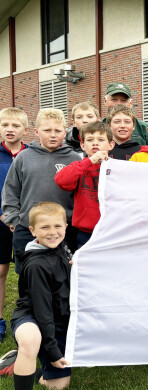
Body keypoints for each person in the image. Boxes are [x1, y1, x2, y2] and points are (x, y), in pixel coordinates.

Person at [1, 108, 80, 273]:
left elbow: (79, 194)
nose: (53, 134)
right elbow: (11, 191)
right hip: (27, 229)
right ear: (36, 131)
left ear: (64, 132)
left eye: (58, 130)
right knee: (29, 276)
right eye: (47, 130)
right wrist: (14, 220)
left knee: (63, 276)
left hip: (63, 230)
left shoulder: (74, 159)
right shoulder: (23, 157)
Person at [10, 202, 72, 390]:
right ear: (32, 230)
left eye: (57, 226)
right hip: (33, 317)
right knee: (30, 340)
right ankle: (25, 356)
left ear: (65, 227)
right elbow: (42, 311)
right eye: (45, 227)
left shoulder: (61, 248)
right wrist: (52, 351)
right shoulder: (37, 265)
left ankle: (18, 363)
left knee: (58, 386)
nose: (52, 232)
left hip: (58, 319)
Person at [55, 122, 115, 248]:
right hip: (86, 232)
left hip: (112, 230)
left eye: (100, 139)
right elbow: (61, 180)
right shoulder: (79, 167)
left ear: (111, 145)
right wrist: (90, 161)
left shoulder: (117, 168)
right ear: (82, 145)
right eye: (90, 140)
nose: (95, 143)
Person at [0, 107, 28, 341]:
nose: (10, 130)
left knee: (26, 272)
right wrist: (4, 216)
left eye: (15, 126)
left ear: (25, 130)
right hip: (1, 221)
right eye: (5, 125)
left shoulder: (31, 154)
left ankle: (26, 318)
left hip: (26, 223)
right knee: (0, 271)